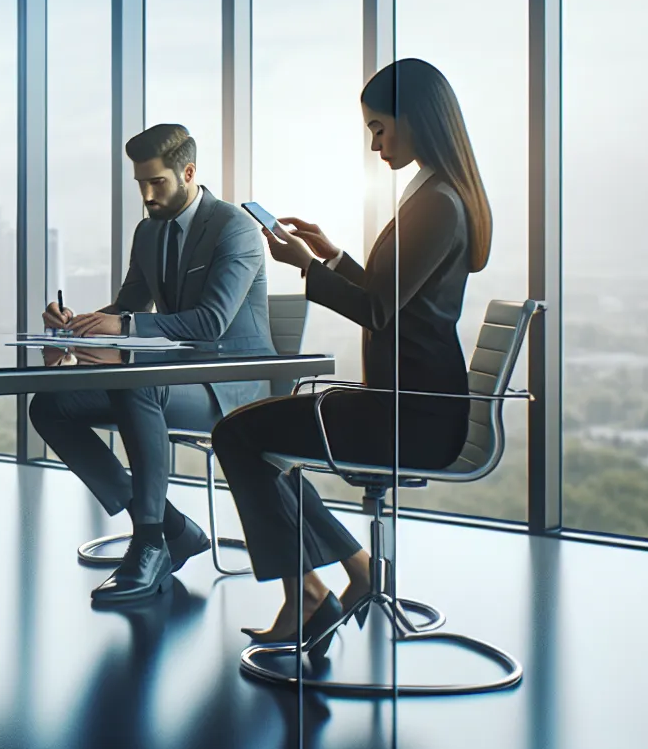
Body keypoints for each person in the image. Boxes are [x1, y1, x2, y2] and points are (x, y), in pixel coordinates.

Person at [211, 58, 493, 651]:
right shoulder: (438, 193)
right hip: (409, 407)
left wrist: (305, 268)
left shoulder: (438, 203)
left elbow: (375, 311)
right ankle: (354, 568)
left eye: (380, 128)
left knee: (239, 437)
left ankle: (310, 592)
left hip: (409, 417)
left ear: (415, 119)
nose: (375, 144)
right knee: (255, 440)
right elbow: (388, 295)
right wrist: (333, 257)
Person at [33, 124, 275, 605]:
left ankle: (148, 541)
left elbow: (209, 323)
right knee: (50, 405)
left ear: (187, 173)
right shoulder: (149, 232)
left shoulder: (236, 229)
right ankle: (171, 527)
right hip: (170, 379)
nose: (146, 194)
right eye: (140, 183)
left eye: (156, 182)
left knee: (137, 385)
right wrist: (75, 324)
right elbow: (128, 306)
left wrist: (120, 328)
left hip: (229, 387)